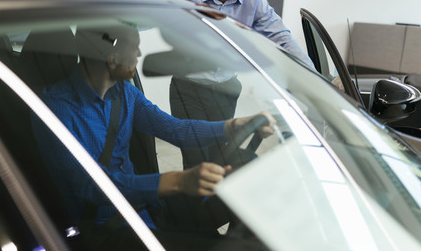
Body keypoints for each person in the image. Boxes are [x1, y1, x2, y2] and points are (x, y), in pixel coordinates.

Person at [33, 23, 274, 249]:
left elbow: (176, 129)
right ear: (111, 57)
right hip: (107, 231)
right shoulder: (56, 109)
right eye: (134, 46)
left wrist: (232, 125)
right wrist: (176, 181)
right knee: (217, 245)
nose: (139, 53)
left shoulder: (126, 93)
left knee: (246, 177)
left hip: (148, 206)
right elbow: (94, 186)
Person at [168, 0, 313, 169]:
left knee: (220, 157)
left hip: (225, 89)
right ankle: (193, 201)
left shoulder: (254, 1)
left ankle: (213, 203)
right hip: (188, 88)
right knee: (195, 160)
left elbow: (283, 39)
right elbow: (145, 18)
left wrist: (316, 77)